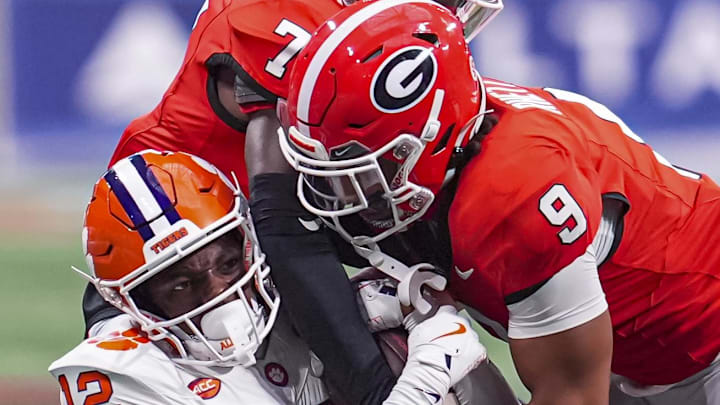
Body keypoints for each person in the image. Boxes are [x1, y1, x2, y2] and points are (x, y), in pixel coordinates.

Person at [279, 1, 720, 404]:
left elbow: (573, 395)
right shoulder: (457, 128)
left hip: (701, 347)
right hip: (630, 353)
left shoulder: (516, 194)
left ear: (430, 137)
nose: (342, 198)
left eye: (359, 172)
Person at [80, 0, 511, 403]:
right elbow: (283, 222)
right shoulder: (282, 14)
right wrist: (381, 393)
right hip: (186, 244)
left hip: (285, 222)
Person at [50, 150, 495, 405]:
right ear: (131, 301)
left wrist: (427, 322)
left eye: (227, 264)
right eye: (182, 286)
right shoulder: (113, 377)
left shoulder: (291, 298)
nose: (220, 293)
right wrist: (421, 384)